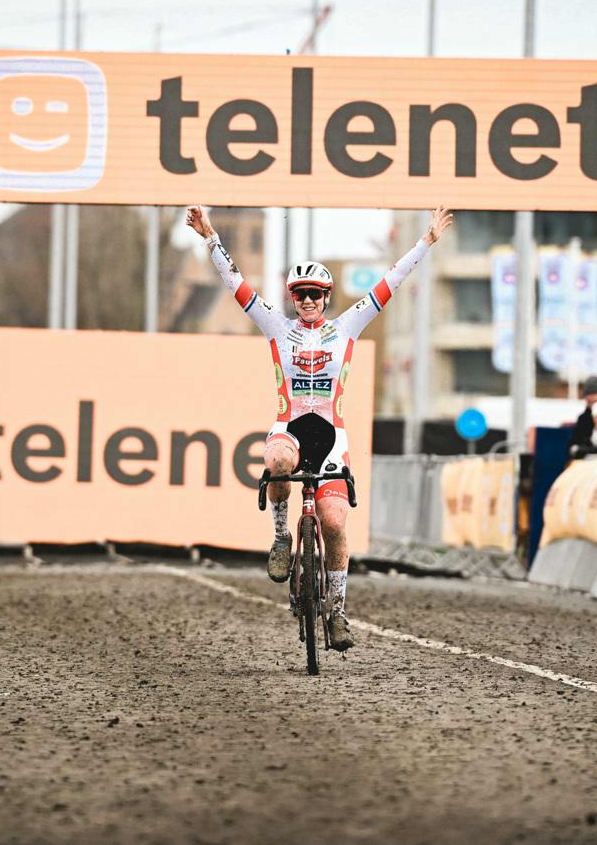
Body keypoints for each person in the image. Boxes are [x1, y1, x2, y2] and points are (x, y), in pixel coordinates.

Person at [186, 204, 453, 651]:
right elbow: (236, 283)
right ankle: (280, 537)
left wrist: (425, 241)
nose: (307, 300)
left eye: (314, 293)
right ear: (292, 298)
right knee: (276, 460)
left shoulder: (348, 327)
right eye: (300, 294)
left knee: (333, 522)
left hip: (331, 437)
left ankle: (338, 610)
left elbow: (391, 281)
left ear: (327, 297)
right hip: (289, 427)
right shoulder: (276, 327)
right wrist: (210, 236)